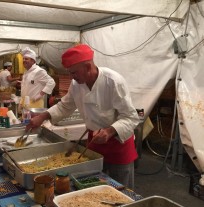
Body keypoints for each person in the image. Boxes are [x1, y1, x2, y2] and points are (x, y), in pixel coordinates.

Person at [27, 44, 140, 189]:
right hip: (95, 142)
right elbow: (65, 106)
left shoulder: (113, 82)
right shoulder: (76, 84)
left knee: (121, 190)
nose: (71, 77)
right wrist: (42, 116)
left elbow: (131, 117)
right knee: (93, 186)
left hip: (118, 144)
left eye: (74, 73)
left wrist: (109, 131)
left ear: (88, 67)